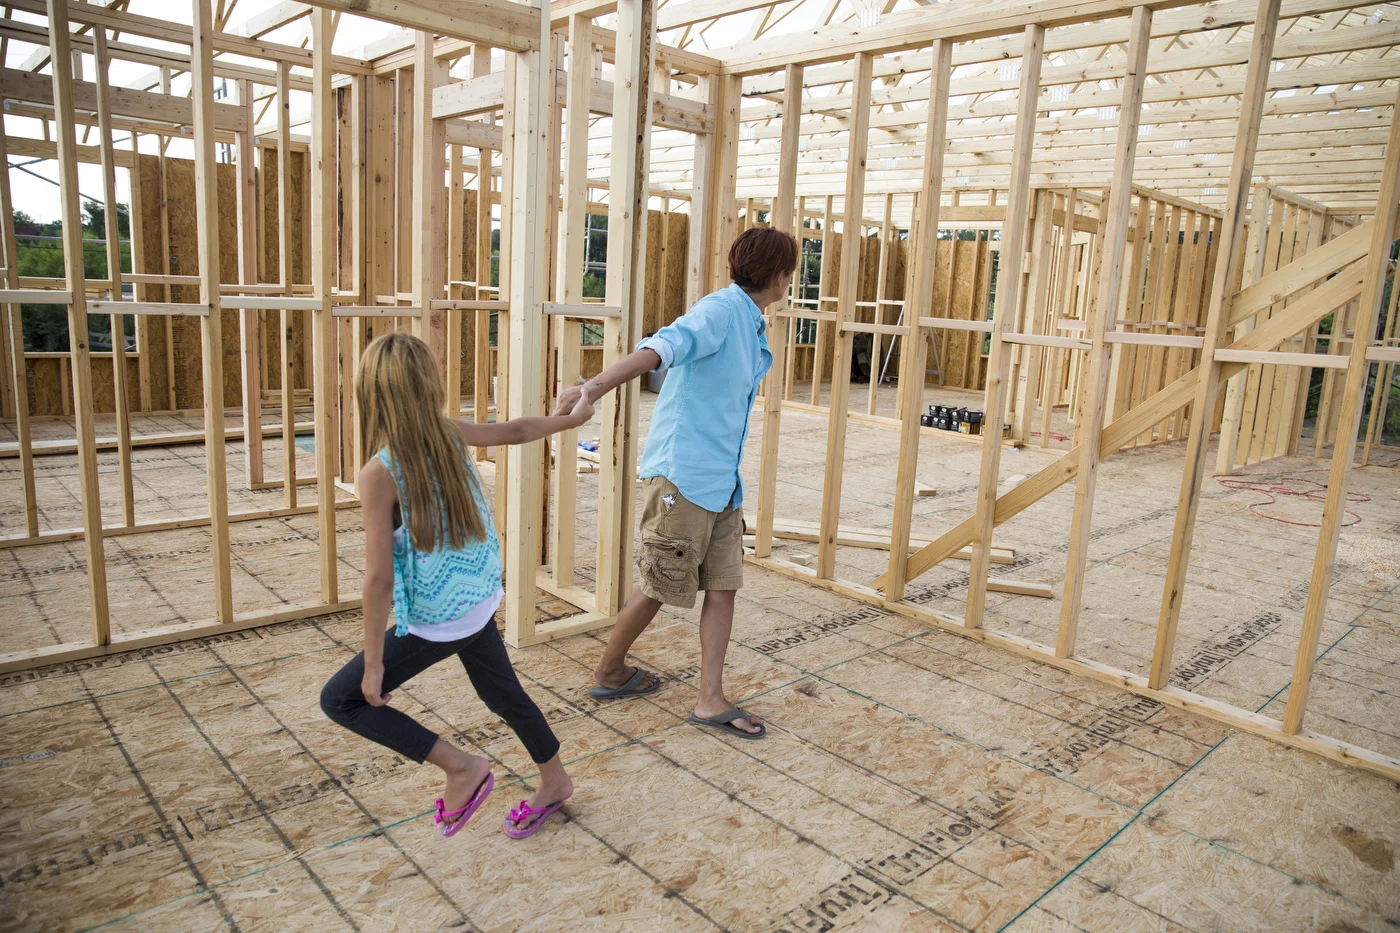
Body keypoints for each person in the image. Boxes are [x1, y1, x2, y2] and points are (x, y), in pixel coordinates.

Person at [320, 332, 594, 839]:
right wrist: (571, 421)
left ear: (369, 393)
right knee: (503, 694)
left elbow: (378, 580)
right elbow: (514, 431)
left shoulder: (378, 472)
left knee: (342, 701)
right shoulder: (446, 433)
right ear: (428, 386)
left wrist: (375, 662)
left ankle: (462, 768)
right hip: (478, 596)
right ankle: (554, 781)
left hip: (439, 619)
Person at [556, 227, 798, 739]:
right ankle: (609, 671)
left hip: (720, 479)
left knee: (724, 586)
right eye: (789, 274)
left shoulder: (751, 322)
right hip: (683, 478)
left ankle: (710, 700)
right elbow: (661, 348)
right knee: (659, 585)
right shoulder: (719, 311)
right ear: (779, 276)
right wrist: (593, 388)